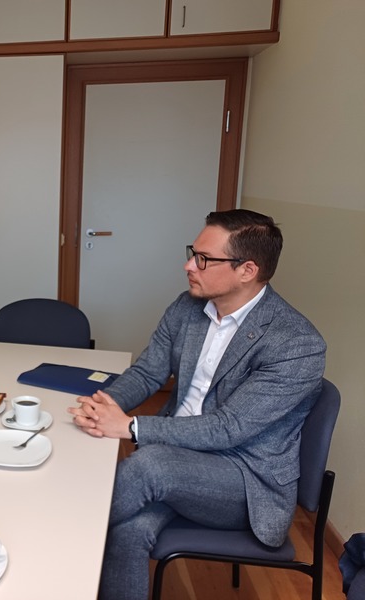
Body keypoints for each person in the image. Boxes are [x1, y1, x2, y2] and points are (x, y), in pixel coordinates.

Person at [67, 209, 326, 600]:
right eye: (193, 252)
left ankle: (53, 539)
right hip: (179, 460)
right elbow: (148, 372)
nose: (189, 265)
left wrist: (130, 427)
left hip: (244, 479)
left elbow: (228, 428)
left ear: (247, 270)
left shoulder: (296, 343)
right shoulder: (188, 307)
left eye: (204, 259)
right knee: (128, 531)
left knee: (150, 466)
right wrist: (101, 404)